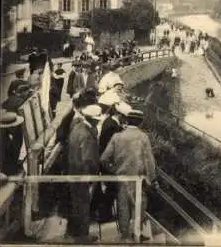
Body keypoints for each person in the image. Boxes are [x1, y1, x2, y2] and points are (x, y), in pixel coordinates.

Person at [101, 109, 159, 242]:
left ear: (127, 120)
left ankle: (125, 237)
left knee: (123, 208)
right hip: (138, 179)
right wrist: (152, 180)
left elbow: (104, 158)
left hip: (121, 179)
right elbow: (149, 161)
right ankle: (136, 234)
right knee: (139, 206)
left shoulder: (117, 137)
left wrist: (115, 170)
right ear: (140, 122)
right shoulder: (143, 137)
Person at [66, 104, 104, 243]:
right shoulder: (87, 135)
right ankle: (83, 236)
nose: (99, 121)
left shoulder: (77, 127)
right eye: (97, 119)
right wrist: (91, 177)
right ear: (92, 119)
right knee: (83, 204)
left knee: (76, 202)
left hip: (73, 170)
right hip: (83, 174)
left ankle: (74, 231)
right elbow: (87, 159)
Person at [0, 111, 25, 175]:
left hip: (12, 166)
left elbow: (16, 151)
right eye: (14, 126)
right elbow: (2, 161)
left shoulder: (17, 134)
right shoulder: (2, 140)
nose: (16, 127)